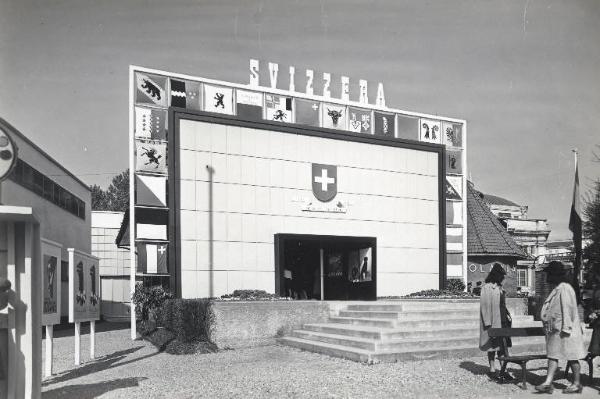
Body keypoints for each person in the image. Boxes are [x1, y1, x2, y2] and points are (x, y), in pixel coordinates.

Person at [535, 261, 586, 394]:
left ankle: (576, 384)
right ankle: (547, 383)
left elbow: (567, 309)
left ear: (554, 274)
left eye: (549, 274)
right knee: (553, 355)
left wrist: (566, 328)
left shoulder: (565, 288)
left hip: (565, 330)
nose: (547, 277)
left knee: (572, 356)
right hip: (557, 330)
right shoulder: (558, 288)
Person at [479, 263, 513, 380]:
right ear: (495, 275)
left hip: (503, 321)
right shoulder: (486, 288)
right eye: (501, 276)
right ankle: (492, 369)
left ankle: (504, 369)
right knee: (492, 346)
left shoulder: (500, 288)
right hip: (493, 321)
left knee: (503, 347)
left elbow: (502, 305)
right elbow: (485, 307)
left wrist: (508, 316)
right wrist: (488, 324)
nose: (502, 278)